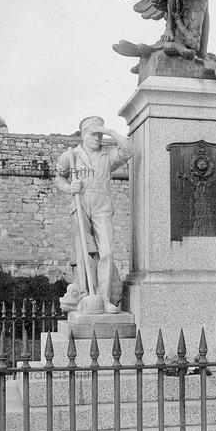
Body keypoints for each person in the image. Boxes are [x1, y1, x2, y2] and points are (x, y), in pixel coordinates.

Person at [55, 116, 132, 314]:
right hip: (80, 206)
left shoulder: (108, 156)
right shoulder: (70, 155)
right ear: (83, 135)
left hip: (102, 208)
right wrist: (69, 187)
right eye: (93, 134)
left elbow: (129, 150)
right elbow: (59, 179)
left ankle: (105, 299)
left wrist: (110, 132)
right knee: (84, 254)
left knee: (106, 252)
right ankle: (85, 295)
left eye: (99, 134)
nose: (97, 138)